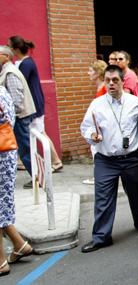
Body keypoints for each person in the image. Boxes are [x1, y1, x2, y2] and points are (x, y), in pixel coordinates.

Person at [79, 65, 138, 253]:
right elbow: (86, 127)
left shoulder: (136, 103)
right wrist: (92, 135)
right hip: (106, 160)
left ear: (122, 81)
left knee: (137, 193)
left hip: (132, 158)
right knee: (102, 198)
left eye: (115, 80)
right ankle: (101, 236)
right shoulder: (96, 104)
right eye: (107, 80)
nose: (111, 84)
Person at [9, 36, 64, 177]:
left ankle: (56, 161)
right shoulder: (24, 62)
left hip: (33, 105)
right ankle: (24, 161)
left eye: (10, 46)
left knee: (39, 133)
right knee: (34, 133)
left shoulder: (26, 64)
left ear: (15, 49)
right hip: (34, 103)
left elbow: (20, 84)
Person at [0, 85, 35, 277]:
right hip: (7, 151)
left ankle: (0, 261)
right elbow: (10, 121)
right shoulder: (3, 91)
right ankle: (20, 245)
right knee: (3, 204)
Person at [0, 46, 36, 185]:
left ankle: (38, 178)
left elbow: (17, 101)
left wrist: (8, 119)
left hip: (19, 118)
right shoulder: (7, 71)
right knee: (25, 149)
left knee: (25, 150)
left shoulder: (10, 73)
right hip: (18, 118)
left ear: (6, 56)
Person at [82, 59, 108, 186]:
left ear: (98, 73)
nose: (88, 73)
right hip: (97, 125)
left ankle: (99, 175)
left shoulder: (104, 87)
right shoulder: (100, 86)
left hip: (102, 126)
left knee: (97, 150)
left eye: (90, 70)